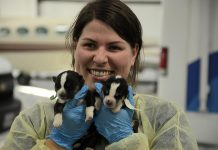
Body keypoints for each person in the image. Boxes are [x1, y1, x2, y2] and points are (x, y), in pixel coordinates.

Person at [1, 0, 199, 150]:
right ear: (74, 48)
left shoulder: (165, 119)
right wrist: (59, 142)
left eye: (114, 47)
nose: (100, 58)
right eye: (90, 45)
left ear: (134, 53)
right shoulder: (34, 120)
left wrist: (123, 139)